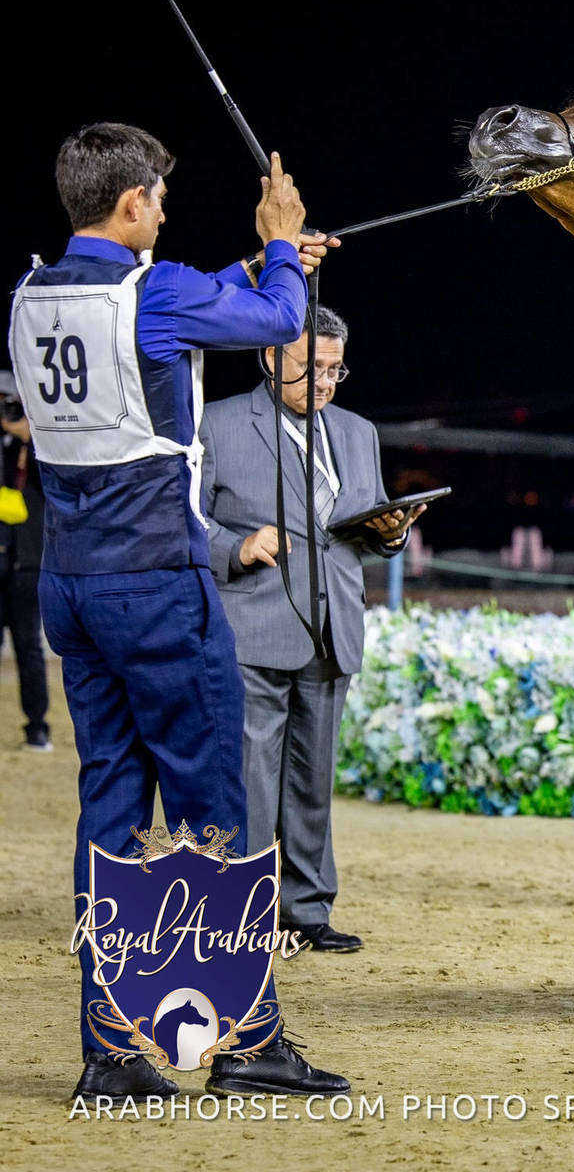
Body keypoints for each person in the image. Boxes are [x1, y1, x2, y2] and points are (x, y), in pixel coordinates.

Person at [7, 121, 345, 1101]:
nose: (163, 208)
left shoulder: (32, 292)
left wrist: (252, 265)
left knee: (110, 815)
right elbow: (284, 324)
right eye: (157, 197)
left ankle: (109, 1053)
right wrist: (280, 245)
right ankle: (246, 1041)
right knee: (213, 815)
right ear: (129, 205)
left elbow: (163, 324)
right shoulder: (152, 291)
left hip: (71, 585)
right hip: (159, 581)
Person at [201, 304, 423, 955]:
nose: (323, 383)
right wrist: (237, 547)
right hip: (253, 628)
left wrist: (393, 533)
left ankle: (305, 909)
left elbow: (365, 531)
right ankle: (239, 912)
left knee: (312, 781)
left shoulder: (357, 432)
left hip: (333, 633)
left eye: (334, 370)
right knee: (251, 781)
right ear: (270, 358)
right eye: (310, 369)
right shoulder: (217, 424)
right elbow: (185, 521)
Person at [0, 371, 51, 750]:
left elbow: (55, 474)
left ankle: (37, 726)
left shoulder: (38, 445)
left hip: (26, 561)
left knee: (28, 647)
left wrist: (27, 434)